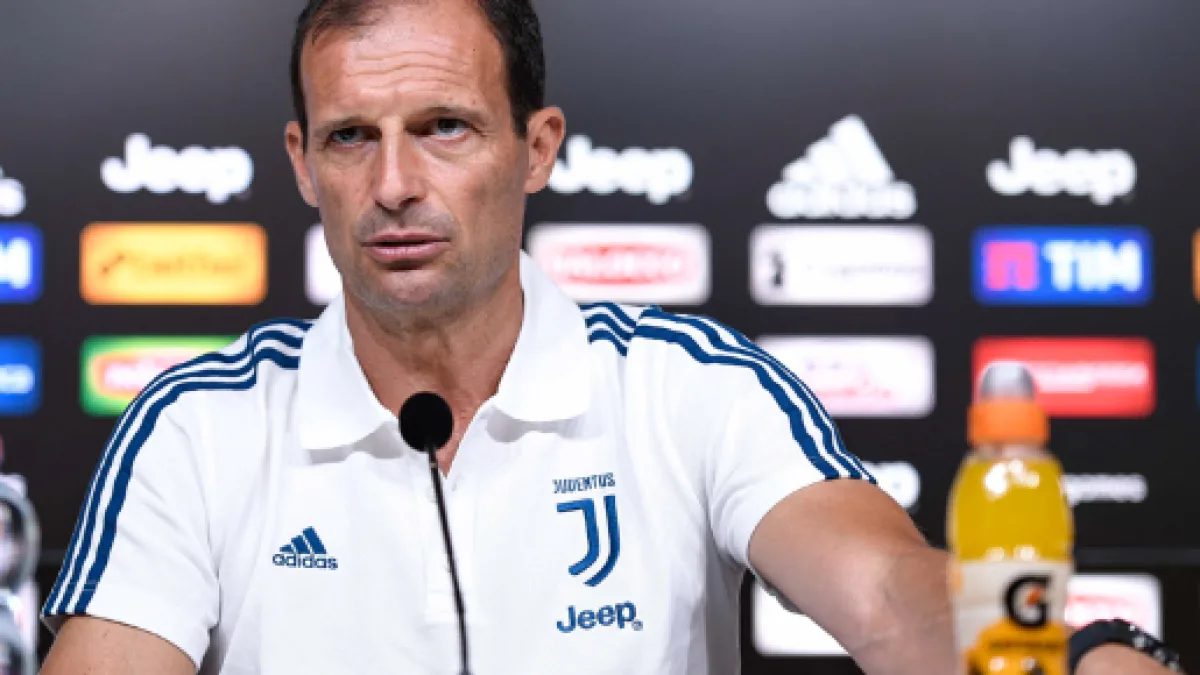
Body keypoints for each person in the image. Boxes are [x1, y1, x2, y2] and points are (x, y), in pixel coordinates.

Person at [38, 0, 1180, 673]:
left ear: (536, 148)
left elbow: (889, 597)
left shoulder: (691, 387)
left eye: (444, 128)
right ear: (301, 165)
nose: (393, 185)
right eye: (350, 138)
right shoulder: (197, 425)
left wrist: (1073, 654)